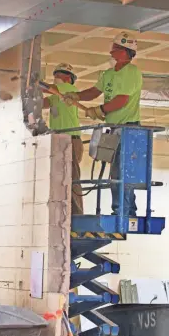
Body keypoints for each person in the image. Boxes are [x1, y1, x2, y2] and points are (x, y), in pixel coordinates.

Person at [64, 31, 143, 217]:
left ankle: (124, 211)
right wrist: (77, 96)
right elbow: (93, 91)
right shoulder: (108, 74)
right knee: (117, 173)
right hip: (115, 129)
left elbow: (121, 100)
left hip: (129, 129)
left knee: (121, 173)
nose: (112, 51)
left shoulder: (132, 72)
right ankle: (123, 209)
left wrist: (100, 110)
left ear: (126, 51)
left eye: (116, 48)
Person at [42, 63, 84, 215]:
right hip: (60, 140)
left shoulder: (70, 91)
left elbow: (47, 88)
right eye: (55, 75)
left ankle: (77, 214)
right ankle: (63, 213)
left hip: (71, 140)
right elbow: (42, 103)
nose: (56, 78)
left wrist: (32, 83)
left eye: (59, 75)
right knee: (62, 177)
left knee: (72, 178)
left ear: (69, 78)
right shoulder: (55, 96)